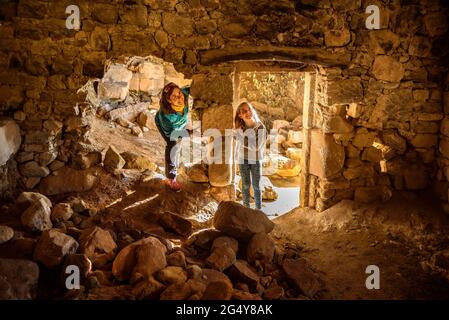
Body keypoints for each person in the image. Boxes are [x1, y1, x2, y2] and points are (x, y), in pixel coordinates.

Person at [155, 82, 191, 191]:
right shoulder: (165, 115)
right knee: (172, 145)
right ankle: (171, 178)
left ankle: (175, 165)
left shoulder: (183, 94)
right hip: (168, 129)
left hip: (180, 125)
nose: (179, 97)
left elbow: (190, 88)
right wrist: (187, 133)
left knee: (178, 144)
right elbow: (171, 134)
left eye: (179, 93)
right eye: (174, 96)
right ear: (169, 100)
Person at [234, 102, 267, 210]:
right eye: (244, 111)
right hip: (242, 158)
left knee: (256, 186)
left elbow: (256, 147)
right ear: (240, 115)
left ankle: (258, 210)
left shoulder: (260, 127)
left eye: (249, 109)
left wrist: (241, 139)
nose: (248, 112)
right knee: (245, 185)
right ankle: (246, 209)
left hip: (256, 160)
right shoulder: (240, 127)